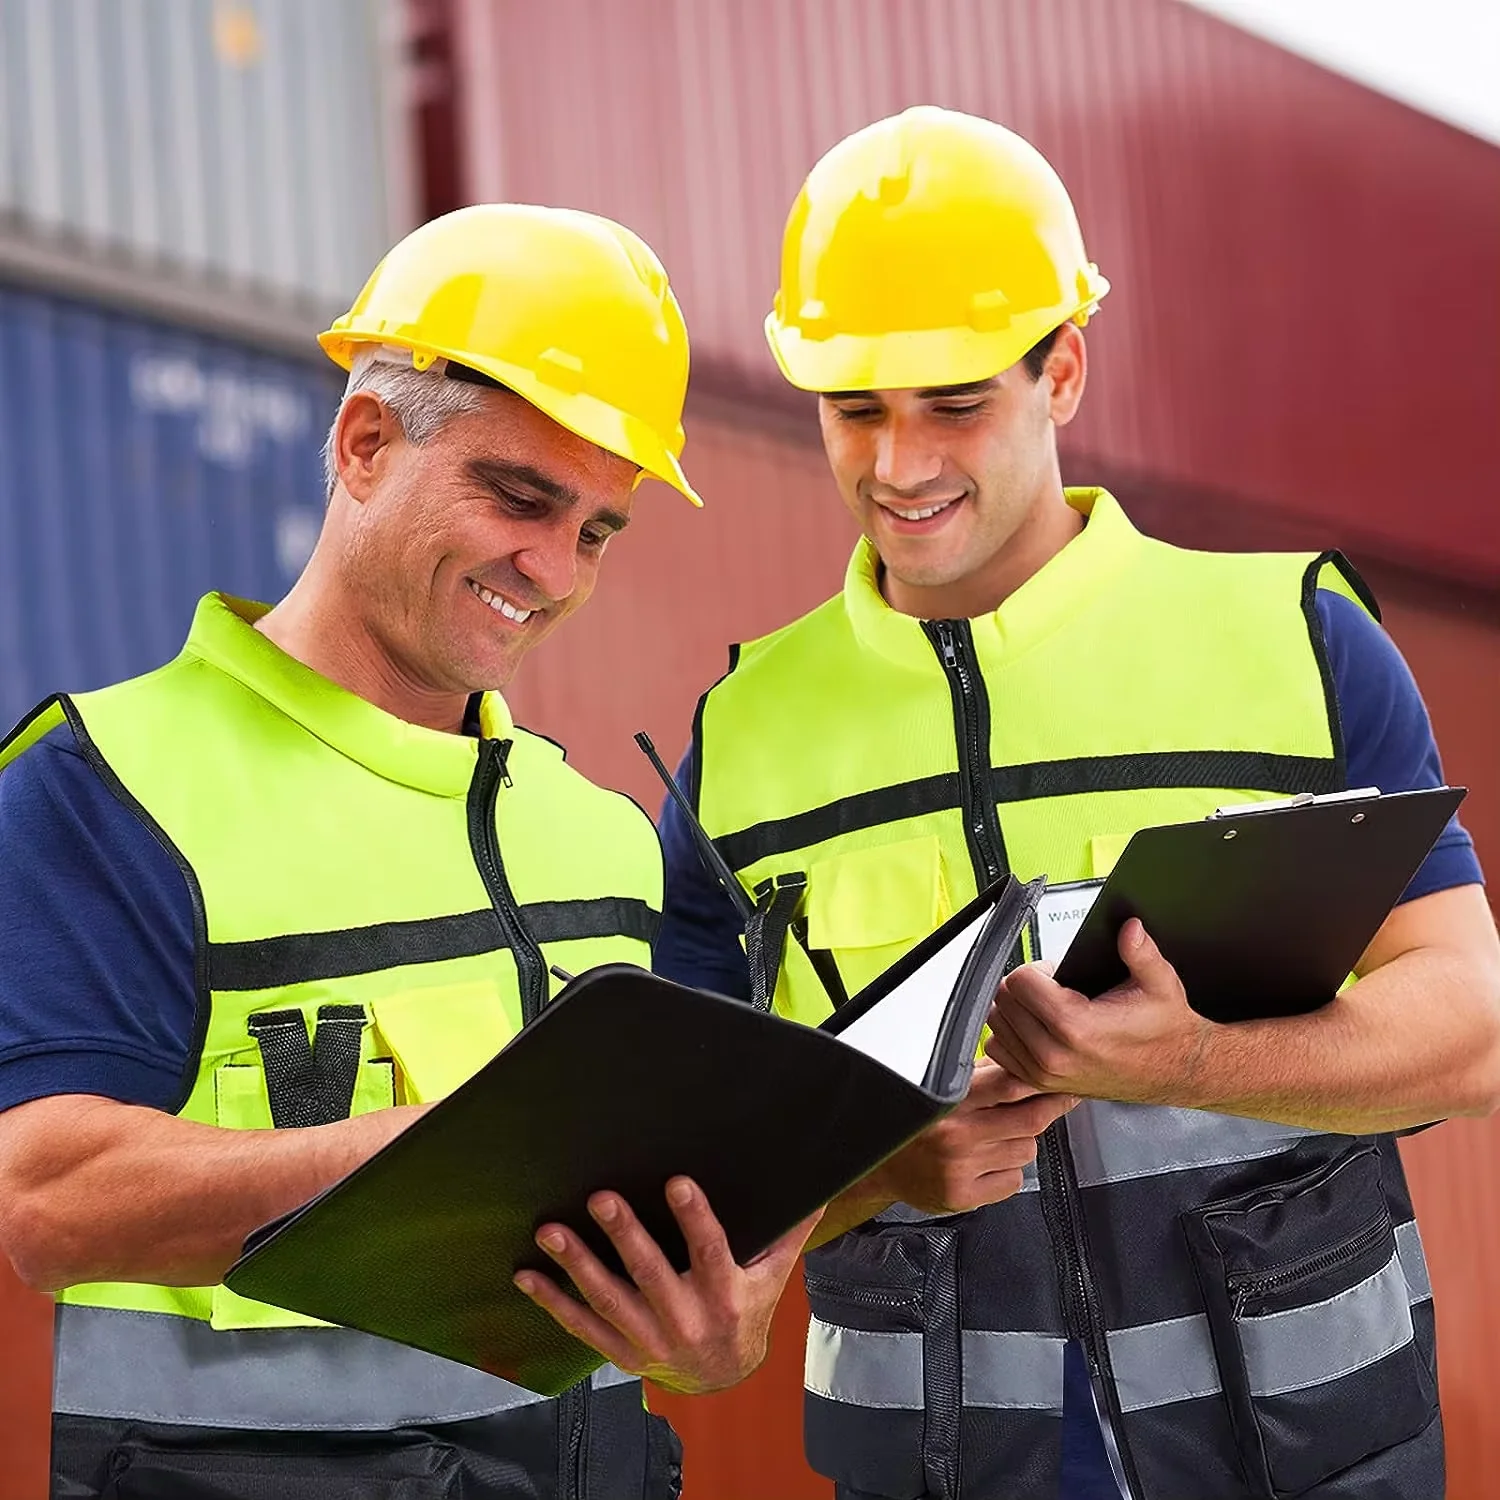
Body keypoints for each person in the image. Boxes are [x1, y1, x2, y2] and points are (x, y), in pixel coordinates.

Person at [654, 107, 1500, 1500]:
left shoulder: (1295, 642)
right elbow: (700, 1170)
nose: (899, 463)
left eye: (956, 402)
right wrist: (876, 1172)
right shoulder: (742, 742)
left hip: (1310, 1461)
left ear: (1064, 370)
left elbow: (1466, 1032)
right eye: (855, 407)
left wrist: (1181, 1063)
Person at [0, 203, 817, 1500]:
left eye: (597, 531)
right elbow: (45, 1199)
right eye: (519, 496)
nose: (551, 570)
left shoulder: (603, 841)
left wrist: (716, 1332)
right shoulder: (110, 786)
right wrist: (441, 1158)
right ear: (365, 441)